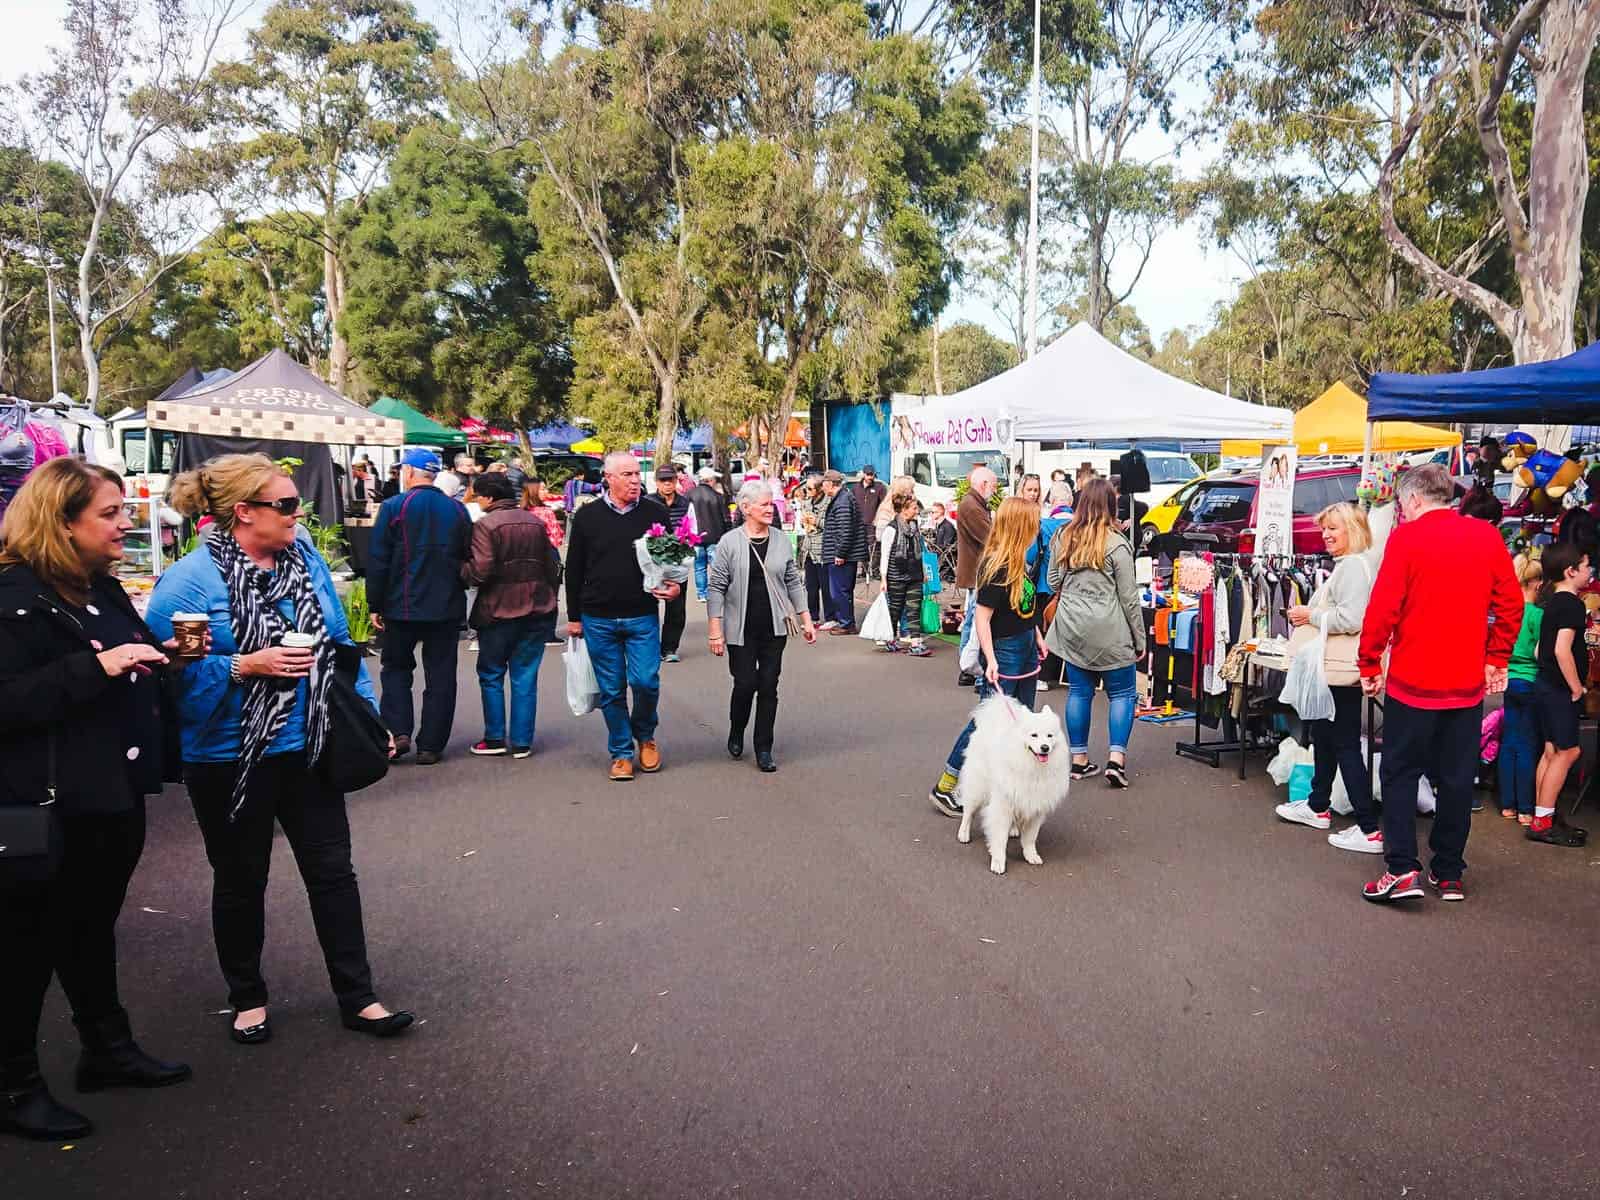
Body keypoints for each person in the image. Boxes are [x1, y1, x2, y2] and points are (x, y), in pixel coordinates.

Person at [150, 453, 413, 1044]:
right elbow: (179, 683)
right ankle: (247, 997)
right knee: (241, 879)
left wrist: (365, 710)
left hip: (310, 744)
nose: (299, 515)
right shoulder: (188, 583)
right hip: (227, 757)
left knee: (333, 874)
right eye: (287, 505)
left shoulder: (305, 560)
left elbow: (342, 645)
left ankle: (359, 996)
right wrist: (245, 665)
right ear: (243, 513)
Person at [0, 459, 192, 1142]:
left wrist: (152, 654)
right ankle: (15, 1085)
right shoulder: (12, 597)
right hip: (46, 808)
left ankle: (106, 1051)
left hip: (110, 796)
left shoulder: (98, 588)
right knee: (25, 950)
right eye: (109, 514)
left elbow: (117, 658)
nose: (126, 523)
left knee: (88, 932)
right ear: (61, 521)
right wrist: (98, 666)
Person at [1357, 464, 1522, 903]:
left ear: (1412, 500)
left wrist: (1369, 662)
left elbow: (1383, 608)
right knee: (1455, 778)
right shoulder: (1486, 537)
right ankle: (1448, 870)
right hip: (1464, 684)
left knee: (1399, 774)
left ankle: (1402, 867)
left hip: (1413, 682)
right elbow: (1510, 604)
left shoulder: (1407, 539)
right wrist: (1497, 656)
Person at [929, 498, 1047, 817]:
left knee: (1023, 720)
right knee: (988, 721)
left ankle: (1011, 789)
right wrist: (991, 660)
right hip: (1005, 649)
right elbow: (982, 618)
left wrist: (1036, 635)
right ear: (1020, 526)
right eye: (1033, 523)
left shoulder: (1021, 561)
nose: (1038, 530)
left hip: (1023, 645)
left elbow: (1026, 606)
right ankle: (946, 785)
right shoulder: (997, 565)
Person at [1272, 503, 1380, 849]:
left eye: (1333, 528)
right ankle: (1319, 805)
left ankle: (1368, 827)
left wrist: (1310, 615)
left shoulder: (1350, 568)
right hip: (1337, 668)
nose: (1326, 535)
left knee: (1344, 742)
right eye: (1324, 529)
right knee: (1327, 734)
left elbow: (1352, 619)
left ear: (1352, 529)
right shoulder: (1356, 565)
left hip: (1339, 667)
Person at [565, 451, 676, 782]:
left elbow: (670, 561)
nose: (634, 480)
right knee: (612, 690)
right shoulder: (587, 517)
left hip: (641, 614)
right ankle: (621, 752)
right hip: (598, 617)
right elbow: (574, 569)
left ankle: (646, 735)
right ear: (608, 478)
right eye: (626, 474)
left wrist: (673, 588)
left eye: (636, 474)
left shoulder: (655, 513)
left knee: (645, 682)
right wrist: (574, 618)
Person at [366, 449, 472, 765]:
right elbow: (467, 553)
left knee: (396, 669)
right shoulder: (457, 510)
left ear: (410, 473)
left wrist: (375, 603)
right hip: (446, 606)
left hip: (401, 606)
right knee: (441, 675)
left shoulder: (394, 507)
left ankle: (398, 732)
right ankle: (431, 744)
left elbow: (378, 560)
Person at [706, 480, 817, 772]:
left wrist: (806, 620)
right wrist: (715, 630)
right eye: (765, 504)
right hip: (739, 627)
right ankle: (736, 728)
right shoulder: (729, 542)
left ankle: (764, 747)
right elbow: (716, 587)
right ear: (746, 508)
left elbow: (793, 580)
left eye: (772, 504)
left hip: (774, 627)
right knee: (745, 684)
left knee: (769, 685)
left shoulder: (781, 539)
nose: (771, 509)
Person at [1042, 479, 1143, 788]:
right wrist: (1140, 638)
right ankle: (1116, 760)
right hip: (1110, 628)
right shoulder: (1117, 542)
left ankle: (1078, 760)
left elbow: (1053, 578)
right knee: (1123, 693)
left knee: (1079, 692)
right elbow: (1128, 596)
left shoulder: (1064, 535)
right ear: (1111, 506)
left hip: (1072, 627)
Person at [461, 471, 561, 758]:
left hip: (498, 608)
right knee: (525, 674)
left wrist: (460, 570)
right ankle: (521, 741)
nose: (477, 500)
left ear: (489, 497)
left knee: (491, 673)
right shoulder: (534, 522)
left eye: (479, 495)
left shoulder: (485, 526)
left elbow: (480, 570)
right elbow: (550, 564)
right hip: (537, 606)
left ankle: (494, 737)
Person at [1528, 541, 1591, 847]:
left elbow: (1541, 648)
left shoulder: (1551, 601)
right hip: (1559, 689)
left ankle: (1544, 814)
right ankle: (1542, 822)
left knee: (1552, 750)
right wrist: (1577, 687)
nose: (1590, 570)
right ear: (1571, 571)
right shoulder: (1572, 605)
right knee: (1568, 752)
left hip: (1544, 684)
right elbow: (1561, 650)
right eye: (1587, 565)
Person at [1498, 554, 1543, 826]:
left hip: (1508, 679)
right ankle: (1525, 808)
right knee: (1527, 745)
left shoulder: (1509, 612)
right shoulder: (1538, 615)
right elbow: (1540, 652)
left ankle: (1507, 804)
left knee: (1509, 742)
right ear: (1536, 582)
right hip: (1530, 681)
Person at [954, 466, 997, 686]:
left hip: (976, 570)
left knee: (973, 620)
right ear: (983, 485)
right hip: (976, 571)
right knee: (975, 621)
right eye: (994, 485)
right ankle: (969, 668)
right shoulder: (972, 507)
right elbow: (989, 538)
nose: (996, 489)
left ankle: (968, 668)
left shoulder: (973, 504)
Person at [878, 492, 932, 656]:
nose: (917, 511)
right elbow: (885, 554)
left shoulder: (915, 527)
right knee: (895, 609)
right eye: (914, 508)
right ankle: (890, 639)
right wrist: (883, 578)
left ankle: (915, 643)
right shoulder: (891, 529)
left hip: (915, 575)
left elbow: (920, 552)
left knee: (914, 609)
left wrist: (923, 572)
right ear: (903, 509)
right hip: (896, 575)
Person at [653, 465, 693, 663]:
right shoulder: (648, 502)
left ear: (676, 481)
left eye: (671, 480)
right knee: (647, 605)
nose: (667, 483)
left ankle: (669, 648)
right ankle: (649, 646)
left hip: (677, 561)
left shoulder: (686, 503)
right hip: (652, 562)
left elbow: (693, 528)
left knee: (676, 608)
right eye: (663, 480)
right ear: (657, 482)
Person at [819, 469, 868, 633]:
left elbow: (845, 530)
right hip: (845, 553)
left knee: (840, 590)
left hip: (842, 555)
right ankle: (846, 622)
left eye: (823, 484)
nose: (822, 488)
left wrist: (840, 553)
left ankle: (846, 623)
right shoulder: (844, 498)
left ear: (830, 484)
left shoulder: (842, 501)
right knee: (842, 590)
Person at [687, 466, 731, 602]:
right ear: (710, 480)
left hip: (696, 536)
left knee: (699, 567)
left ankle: (702, 594)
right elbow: (726, 518)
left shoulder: (689, 495)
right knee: (717, 566)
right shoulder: (717, 496)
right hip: (715, 535)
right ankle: (719, 591)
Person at [793, 474, 829, 623]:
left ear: (819, 489)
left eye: (809, 488)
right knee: (811, 586)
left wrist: (817, 521)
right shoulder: (806, 503)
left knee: (826, 586)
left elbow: (831, 524)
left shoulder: (828, 503)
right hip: (808, 548)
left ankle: (830, 617)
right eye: (805, 488)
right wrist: (803, 522)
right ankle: (813, 617)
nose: (806, 491)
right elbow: (804, 524)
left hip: (822, 549)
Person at [850, 465, 889, 580]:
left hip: (873, 523)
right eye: (868, 474)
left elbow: (884, 505)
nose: (870, 477)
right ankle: (865, 570)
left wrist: (880, 519)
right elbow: (852, 504)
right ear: (863, 474)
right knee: (861, 547)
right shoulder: (856, 488)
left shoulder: (879, 487)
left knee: (874, 547)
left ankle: (876, 570)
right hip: (859, 523)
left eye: (871, 474)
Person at [521, 478, 564, 550]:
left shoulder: (519, 511)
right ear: (533, 491)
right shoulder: (546, 512)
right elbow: (556, 539)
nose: (547, 491)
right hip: (545, 553)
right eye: (543, 489)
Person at [927, 500, 957, 584]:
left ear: (940, 512)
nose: (931, 514)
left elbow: (947, 547)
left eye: (933, 512)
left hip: (946, 568)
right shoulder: (939, 526)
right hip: (940, 562)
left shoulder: (948, 526)